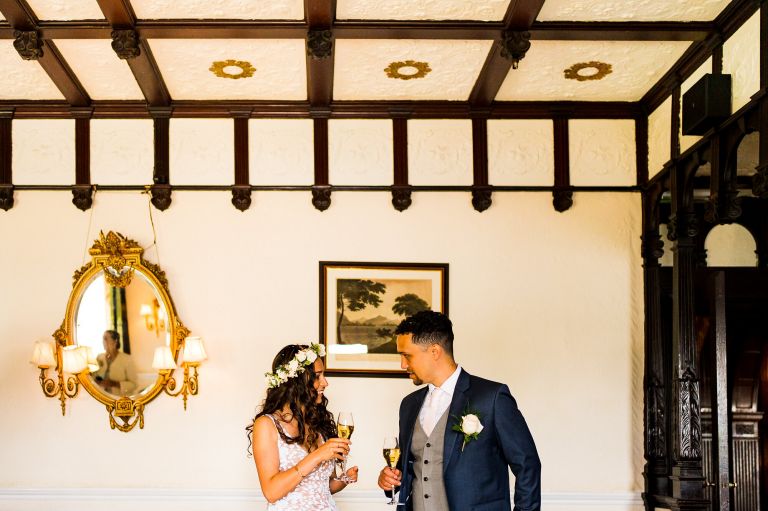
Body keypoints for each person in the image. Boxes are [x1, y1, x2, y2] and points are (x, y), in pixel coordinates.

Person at [377, 310, 541, 511]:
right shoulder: (409, 405)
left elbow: (528, 465)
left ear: (435, 351)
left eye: (407, 356)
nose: (403, 365)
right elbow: (409, 470)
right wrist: (390, 480)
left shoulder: (492, 397)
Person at [248, 343, 359, 510]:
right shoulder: (267, 424)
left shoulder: (318, 422)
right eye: (317, 376)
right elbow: (271, 492)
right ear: (296, 381)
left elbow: (321, 487)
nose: (325, 382)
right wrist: (318, 455)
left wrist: (344, 480)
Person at [93, 330, 137, 395]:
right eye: (103, 339)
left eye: (106, 339)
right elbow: (94, 377)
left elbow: (134, 384)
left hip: (119, 399)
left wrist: (115, 384)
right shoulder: (99, 357)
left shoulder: (127, 359)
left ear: (115, 341)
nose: (103, 342)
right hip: (101, 397)